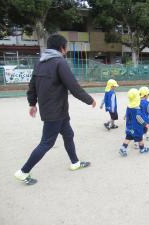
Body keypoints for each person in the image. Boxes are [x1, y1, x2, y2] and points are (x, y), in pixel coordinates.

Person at [14, 34, 96, 185]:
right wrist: (89, 100)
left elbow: (32, 86)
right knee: (46, 143)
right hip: (55, 111)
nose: (66, 50)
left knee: (69, 134)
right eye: (66, 46)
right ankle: (23, 171)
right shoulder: (59, 62)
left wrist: (32, 104)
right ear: (61, 48)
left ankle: (75, 162)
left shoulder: (40, 63)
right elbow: (73, 86)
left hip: (56, 110)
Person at [119, 88, 149, 157]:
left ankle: (123, 148)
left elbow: (127, 114)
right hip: (136, 127)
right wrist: (145, 124)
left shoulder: (129, 106)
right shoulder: (136, 108)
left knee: (128, 137)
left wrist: (125, 116)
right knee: (140, 138)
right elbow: (138, 118)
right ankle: (142, 149)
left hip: (130, 126)